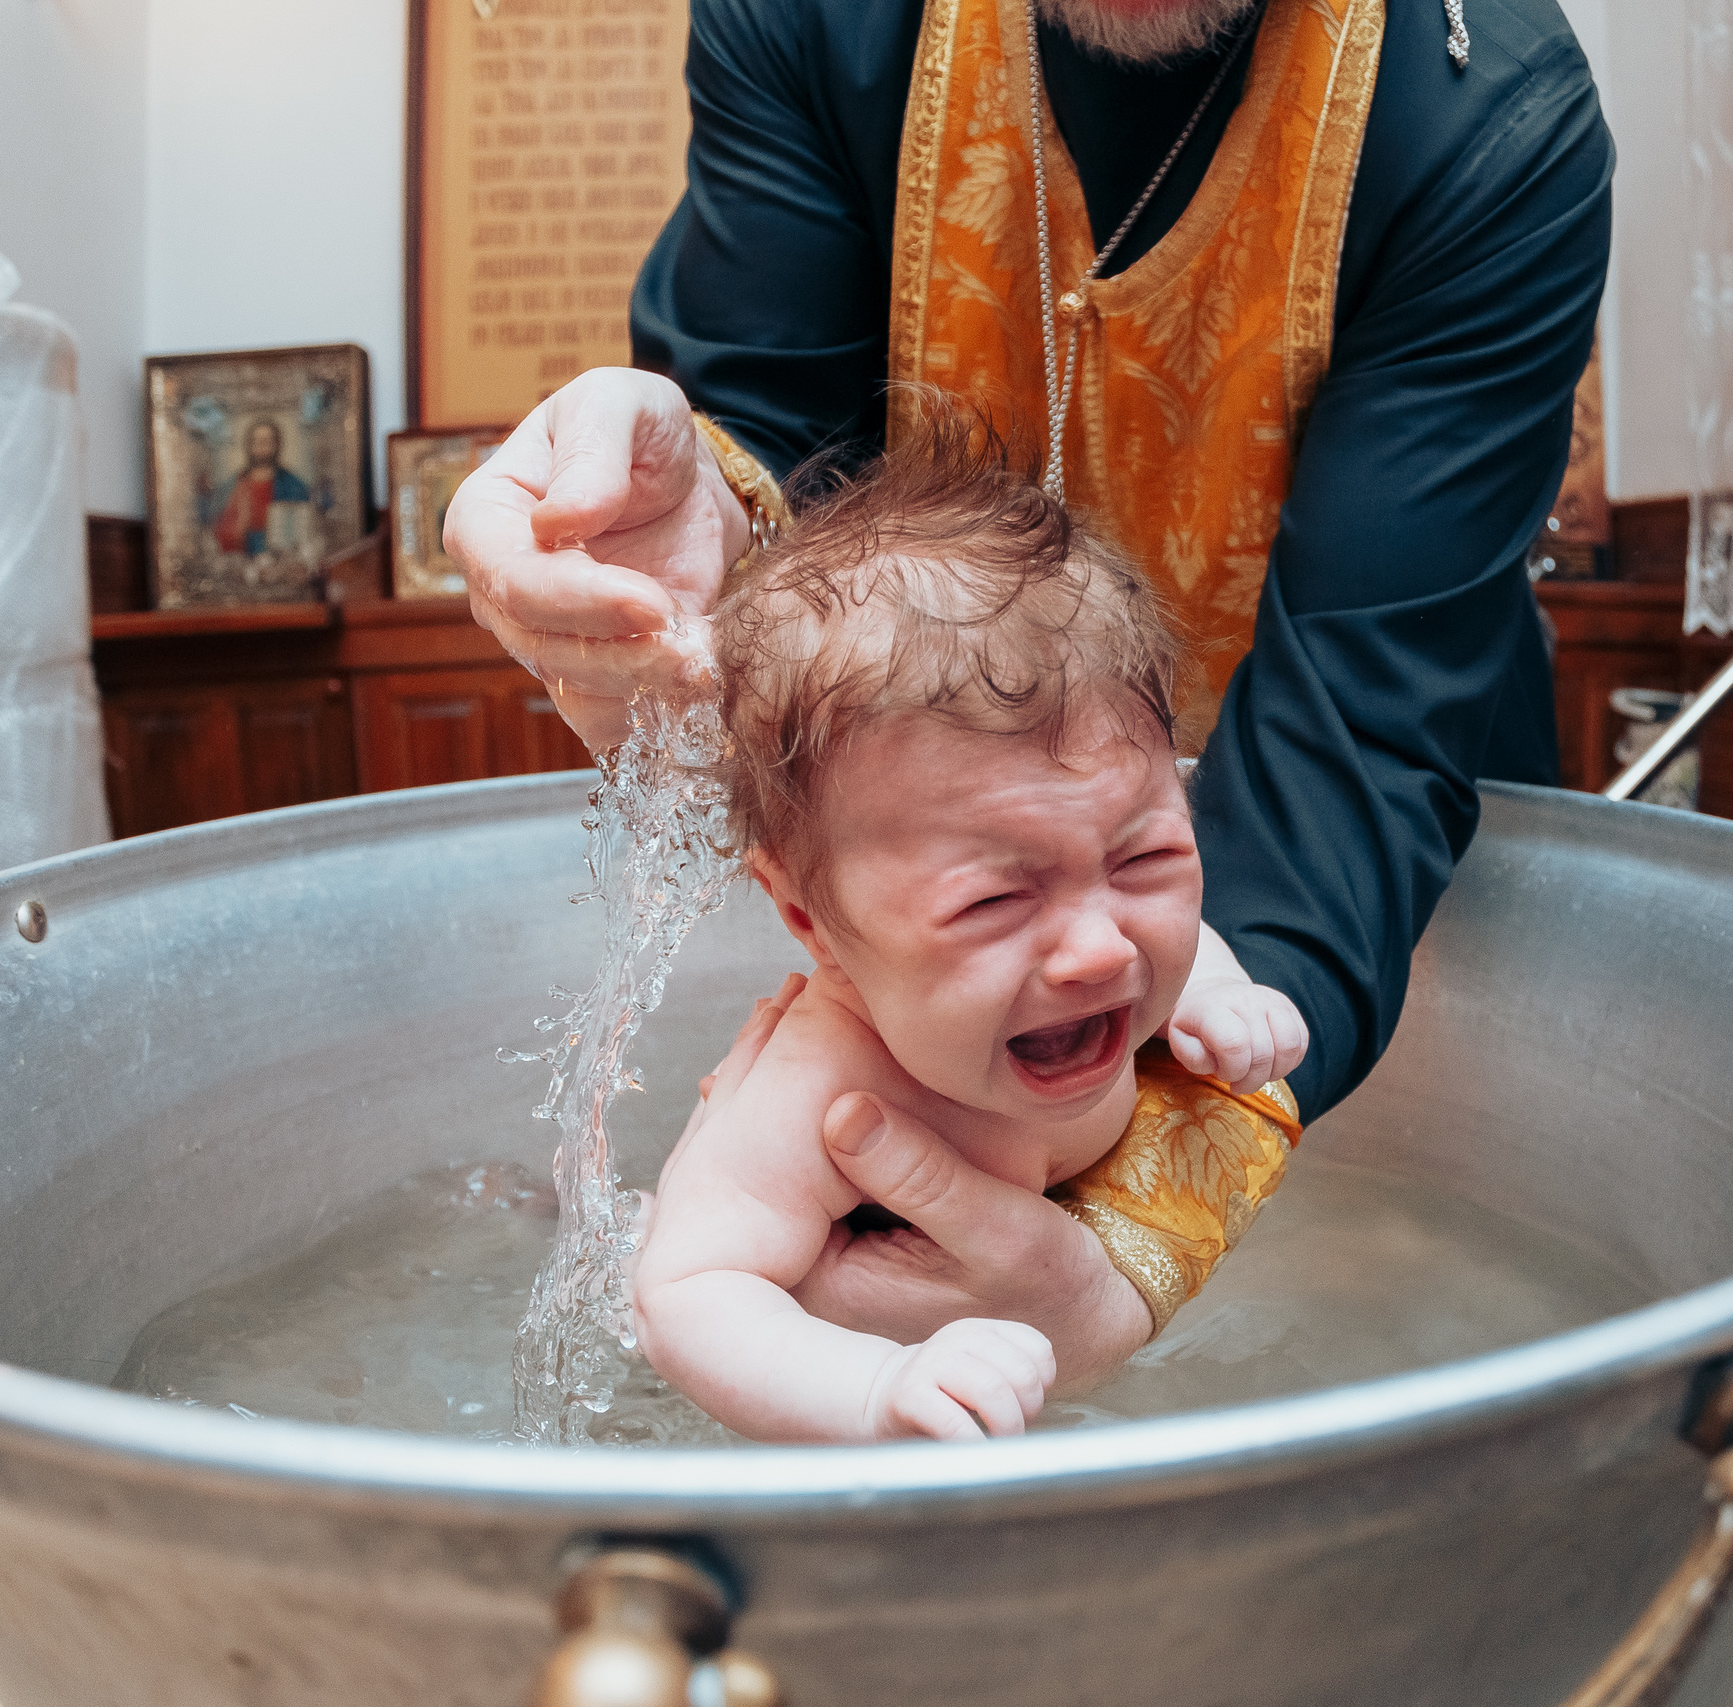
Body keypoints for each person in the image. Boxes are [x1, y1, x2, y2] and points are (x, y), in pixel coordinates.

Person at [447, 0, 1609, 1365]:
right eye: (1021, 889)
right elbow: (782, 427)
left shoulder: (1488, 111)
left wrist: (1135, 1236)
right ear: (808, 922)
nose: (1091, 941)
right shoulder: (812, 19)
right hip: (930, 891)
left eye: (1125, 879)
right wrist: (701, 521)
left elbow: (1359, 722)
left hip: (1351, 878)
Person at [632, 416, 1308, 1441]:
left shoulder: (1103, 953)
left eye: (1145, 861)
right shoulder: (822, 1096)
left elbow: (1183, 935)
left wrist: (1221, 994)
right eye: (993, 903)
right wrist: (869, 1389)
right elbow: (685, 1295)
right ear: (808, 920)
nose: (1105, 951)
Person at [208, 418, 311, 559]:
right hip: (243, 559)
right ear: (249, 445)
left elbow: (303, 531)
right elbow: (222, 532)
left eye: (268, 441)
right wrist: (239, 526)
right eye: (257, 441)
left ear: (277, 444)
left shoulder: (293, 485)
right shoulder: (235, 485)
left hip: (282, 559)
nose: (262, 446)